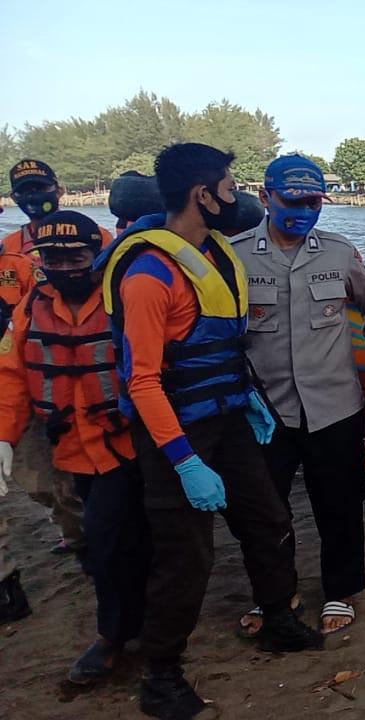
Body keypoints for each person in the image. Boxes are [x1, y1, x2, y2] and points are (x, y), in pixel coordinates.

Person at [99, 143, 322, 720]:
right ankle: (161, 677)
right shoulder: (150, 275)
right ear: (203, 194)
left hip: (228, 416)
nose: (237, 196)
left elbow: (221, 342)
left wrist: (247, 397)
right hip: (177, 434)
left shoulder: (217, 253)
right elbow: (142, 380)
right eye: (229, 187)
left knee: (269, 520)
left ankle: (278, 621)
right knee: (185, 557)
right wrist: (182, 460)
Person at [231, 154, 365, 636]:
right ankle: (274, 594)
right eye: (292, 201)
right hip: (265, 411)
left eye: (314, 202)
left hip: (334, 406)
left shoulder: (339, 253)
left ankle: (339, 592)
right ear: (266, 198)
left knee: (338, 506)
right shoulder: (235, 256)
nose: (303, 211)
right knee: (264, 511)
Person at [0, 211, 150, 683]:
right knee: (106, 544)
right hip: (73, 450)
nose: (64, 268)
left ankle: (121, 635)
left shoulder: (126, 297)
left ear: (98, 254)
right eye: (51, 259)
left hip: (134, 445)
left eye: (75, 257)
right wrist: (3, 437)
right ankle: (124, 629)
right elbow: (11, 377)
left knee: (120, 543)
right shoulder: (31, 308)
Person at [4, 159, 88, 558]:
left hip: (82, 369)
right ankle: (71, 528)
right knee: (35, 476)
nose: (34, 199)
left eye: (41, 188)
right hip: (29, 359)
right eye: (24, 192)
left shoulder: (91, 235)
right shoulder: (9, 249)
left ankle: (83, 533)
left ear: (59, 188)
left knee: (81, 472)